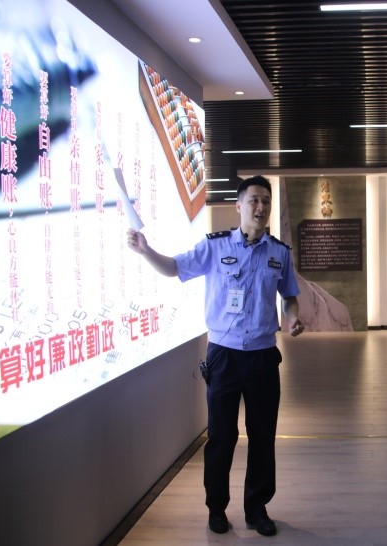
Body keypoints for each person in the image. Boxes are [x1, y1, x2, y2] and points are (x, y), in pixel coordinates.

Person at [126, 175, 304, 536]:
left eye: (266, 201)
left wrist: (293, 318)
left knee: (263, 435)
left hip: (263, 357)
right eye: (253, 200)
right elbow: (175, 268)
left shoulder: (279, 253)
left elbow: (289, 296)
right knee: (222, 437)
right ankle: (216, 509)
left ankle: (257, 508)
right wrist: (146, 251)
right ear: (238, 206)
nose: (260, 207)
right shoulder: (215, 246)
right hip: (223, 356)